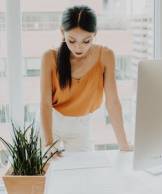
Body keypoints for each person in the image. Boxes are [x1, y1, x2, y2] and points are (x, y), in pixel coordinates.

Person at [39, 5, 131, 153]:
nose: (78, 48)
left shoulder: (106, 55)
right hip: (51, 123)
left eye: (86, 41)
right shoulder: (49, 57)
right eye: (72, 40)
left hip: (81, 125)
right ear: (62, 32)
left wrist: (124, 145)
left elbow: (113, 102)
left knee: (84, 172)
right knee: (47, 170)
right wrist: (48, 142)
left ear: (95, 34)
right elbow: (44, 103)